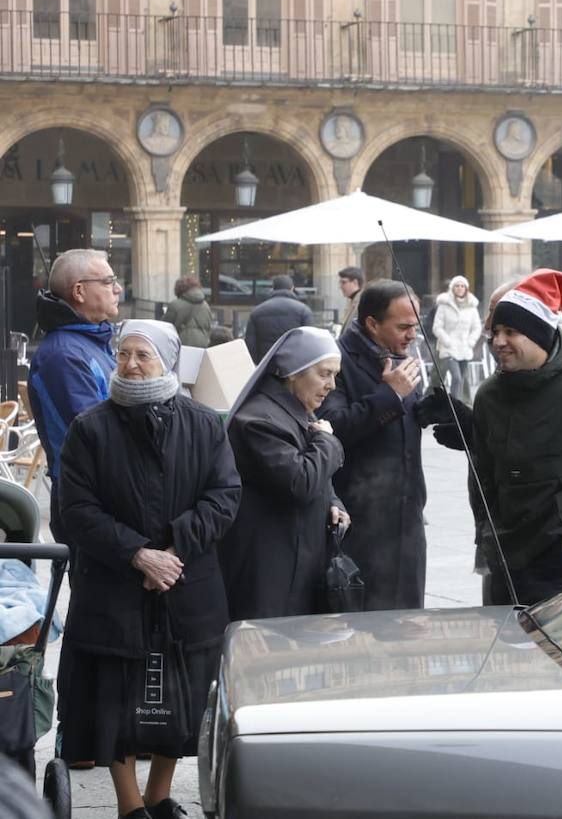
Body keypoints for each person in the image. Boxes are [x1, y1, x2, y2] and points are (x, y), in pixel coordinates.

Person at [56, 320, 240, 819]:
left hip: (188, 584)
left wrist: (176, 546)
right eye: (124, 354)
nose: (131, 364)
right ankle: (129, 803)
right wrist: (137, 553)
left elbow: (225, 496)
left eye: (144, 355)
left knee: (183, 696)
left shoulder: (203, 424)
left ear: (168, 360)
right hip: (114, 587)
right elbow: (73, 510)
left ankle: (159, 795)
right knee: (112, 696)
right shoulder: (90, 428)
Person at [471, 270, 562, 605]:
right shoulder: (488, 394)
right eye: (495, 331)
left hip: (561, 555)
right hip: (503, 553)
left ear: (539, 334)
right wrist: (486, 533)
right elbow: (481, 475)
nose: (498, 341)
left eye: (511, 331)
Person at [219, 327, 350, 621]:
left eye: (335, 375)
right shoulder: (257, 420)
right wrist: (329, 440)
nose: (332, 385)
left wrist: (334, 503)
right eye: (324, 374)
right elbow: (299, 482)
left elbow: (319, 479)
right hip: (268, 571)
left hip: (299, 561)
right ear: (293, 372)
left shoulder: (298, 409)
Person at [318, 279, 429, 611]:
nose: (413, 334)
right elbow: (331, 426)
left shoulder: (402, 355)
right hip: (361, 518)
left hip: (407, 515)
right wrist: (389, 395)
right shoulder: (337, 360)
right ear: (372, 324)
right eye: (404, 326)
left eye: (417, 325)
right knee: (364, 625)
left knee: (408, 621)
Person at [28, 249, 121, 549]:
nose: (118, 289)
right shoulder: (64, 355)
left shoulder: (88, 343)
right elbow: (98, 434)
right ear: (79, 291)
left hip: (101, 493)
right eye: (108, 281)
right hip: (88, 498)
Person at [433, 275, 483, 403]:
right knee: (456, 378)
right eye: (457, 285)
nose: (460, 288)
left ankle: (463, 403)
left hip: (465, 348)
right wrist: (447, 341)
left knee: (463, 377)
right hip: (448, 348)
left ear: (466, 288)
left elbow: (477, 327)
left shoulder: (472, 306)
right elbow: (437, 327)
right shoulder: (444, 305)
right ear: (452, 288)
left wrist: (470, 342)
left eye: (462, 286)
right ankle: (455, 406)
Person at [244, 274, 313, 363]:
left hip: (267, 365)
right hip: (294, 366)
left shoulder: (257, 311)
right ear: (292, 288)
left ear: (273, 288)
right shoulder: (304, 310)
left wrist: (258, 364)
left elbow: (250, 344)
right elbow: (309, 341)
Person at [160, 276, 213, 348]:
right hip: (203, 345)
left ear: (178, 289)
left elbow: (164, 327)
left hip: (183, 345)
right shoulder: (205, 305)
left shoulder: (175, 305)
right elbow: (209, 326)